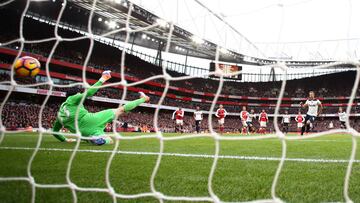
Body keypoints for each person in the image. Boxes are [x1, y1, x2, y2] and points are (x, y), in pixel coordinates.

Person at [52, 71, 150, 145]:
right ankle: (144, 99)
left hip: (83, 134)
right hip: (91, 120)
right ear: (75, 94)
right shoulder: (72, 98)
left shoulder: (60, 114)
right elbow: (90, 92)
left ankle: (98, 139)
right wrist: (103, 78)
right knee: (121, 109)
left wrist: (64, 139)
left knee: (109, 140)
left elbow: (55, 132)